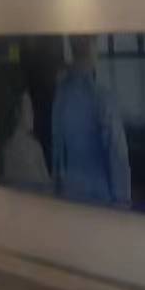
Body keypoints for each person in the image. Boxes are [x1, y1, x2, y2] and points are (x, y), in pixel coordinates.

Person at [51, 36, 131, 206]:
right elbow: (118, 155)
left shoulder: (61, 95)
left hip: (69, 190)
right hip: (100, 194)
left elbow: (56, 150)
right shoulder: (102, 98)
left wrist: (56, 189)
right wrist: (123, 201)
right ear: (92, 47)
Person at [2, 90, 51, 190]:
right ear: (17, 113)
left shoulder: (34, 146)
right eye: (28, 109)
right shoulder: (10, 149)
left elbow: (46, 183)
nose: (32, 116)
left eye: (31, 110)